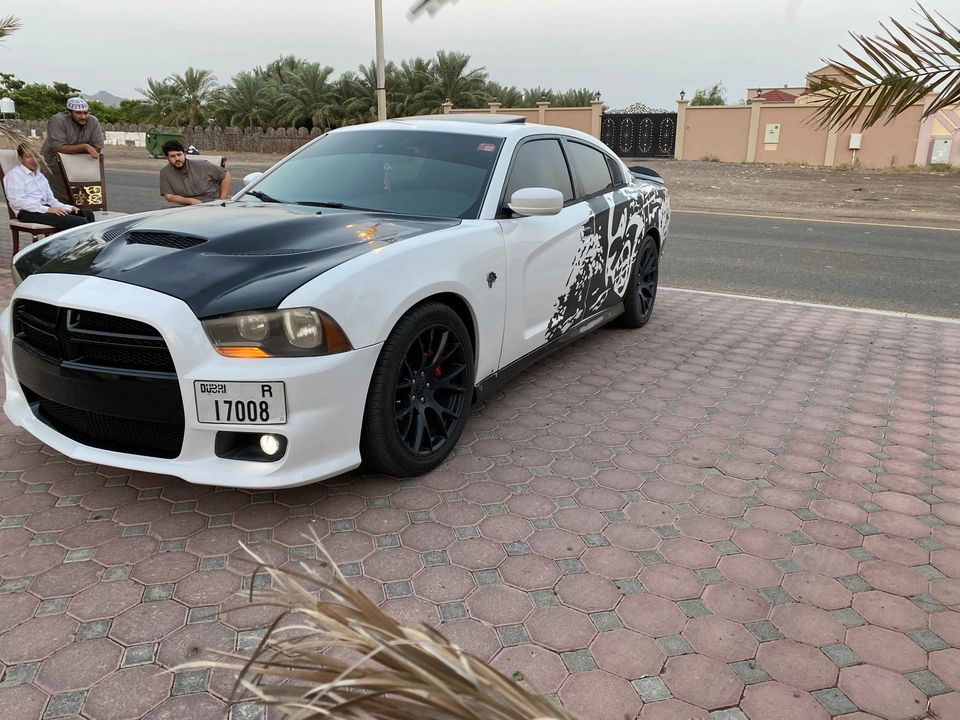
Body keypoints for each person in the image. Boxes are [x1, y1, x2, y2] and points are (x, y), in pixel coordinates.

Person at [3, 144, 94, 230]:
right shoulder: (15, 175)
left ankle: (91, 244)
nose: (34, 160)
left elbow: (51, 200)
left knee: (87, 214)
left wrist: (68, 207)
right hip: (27, 212)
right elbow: (17, 202)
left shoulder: (40, 176)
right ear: (20, 159)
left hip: (44, 208)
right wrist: (47, 209)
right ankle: (80, 245)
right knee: (79, 222)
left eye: (36, 156)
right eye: (28, 156)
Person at [39, 97, 105, 202]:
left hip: (80, 163)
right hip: (54, 162)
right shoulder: (57, 120)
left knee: (83, 196)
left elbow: (97, 148)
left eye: (85, 113)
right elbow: (58, 148)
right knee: (60, 197)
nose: (83, 117)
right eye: (78, 113)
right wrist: (85, 147)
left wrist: (71, 149)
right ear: (69, 113)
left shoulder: (93, 121)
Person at [159, 140, 231, 206]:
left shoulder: (202, 165)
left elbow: (226, 175)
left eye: (179, 154)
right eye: (172, 156)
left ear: (184, 154)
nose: (177, 158)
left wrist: (222, 200)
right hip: (187, 206)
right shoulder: (165, 172)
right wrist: (190, 201)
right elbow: (169, 196)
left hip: (211, 203)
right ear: (167, 158)